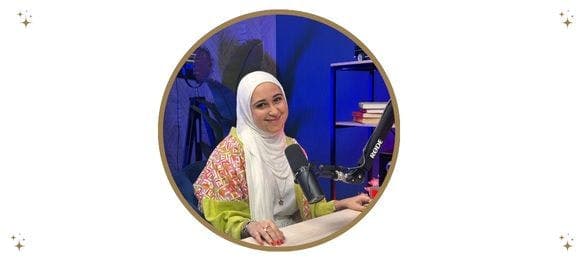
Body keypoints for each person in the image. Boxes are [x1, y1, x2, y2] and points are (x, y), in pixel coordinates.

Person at [193, 71, 371, 246]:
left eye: (277, 99)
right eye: (261, 105)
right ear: (247, 111)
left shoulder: (292, 148)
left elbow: (310, 206)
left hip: (294, 236)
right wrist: (250, 226)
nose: (274, 111)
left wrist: (342, 204)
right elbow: (222, 216)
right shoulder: (229, 154)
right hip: (256, 242)